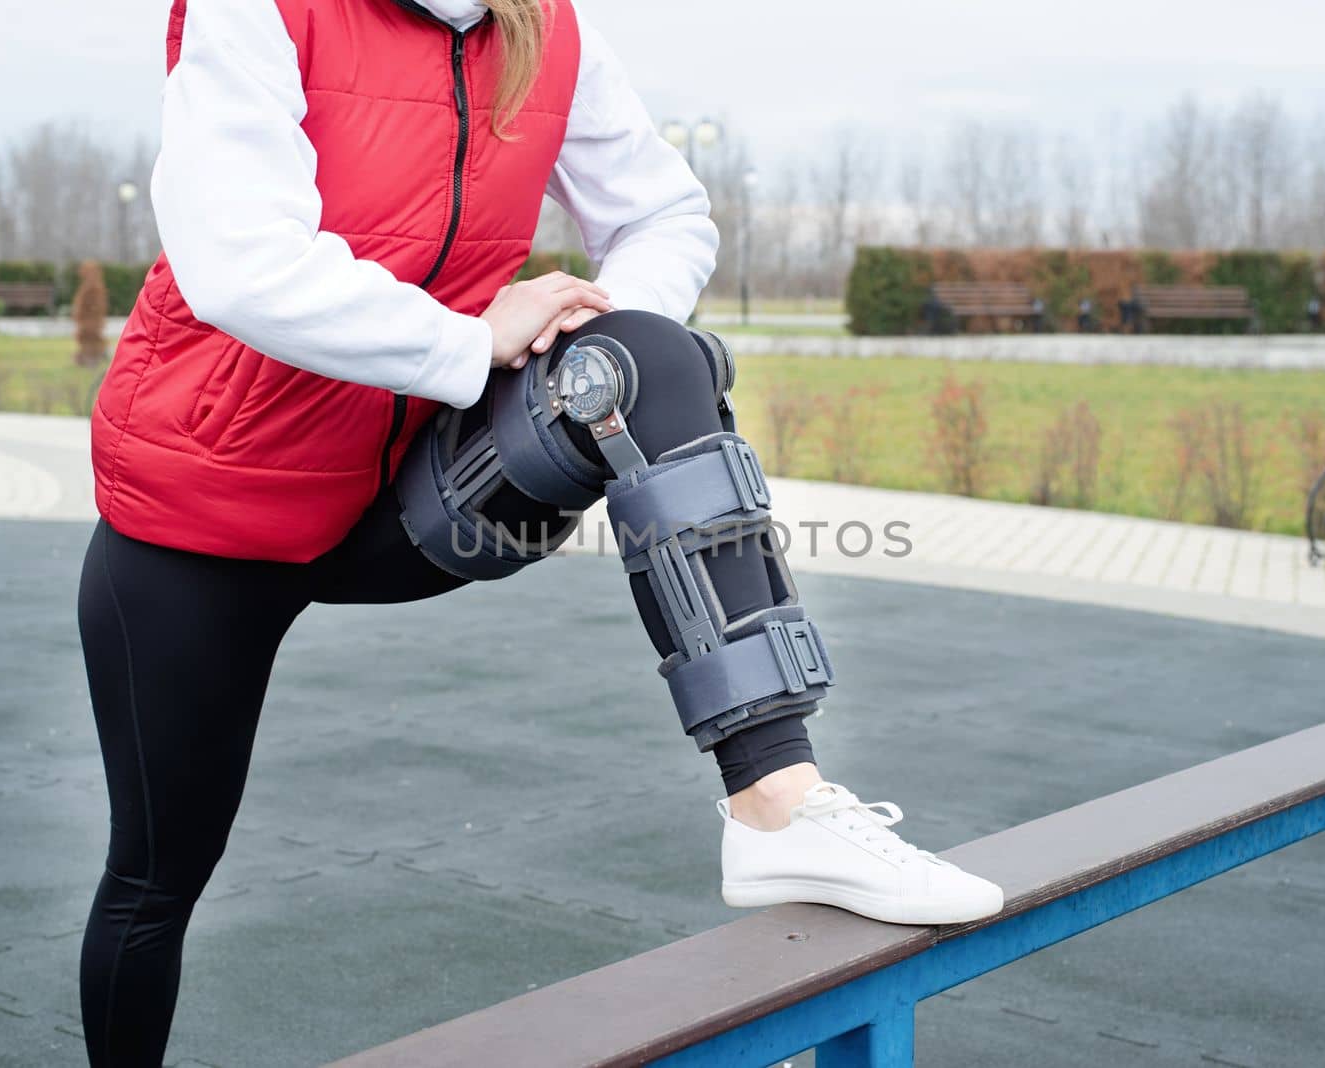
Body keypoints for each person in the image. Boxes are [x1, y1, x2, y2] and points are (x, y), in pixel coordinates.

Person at [76, 0, 1004, 1063]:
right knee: (156, 877)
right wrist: (470, 345)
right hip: (207, 509)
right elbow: (238, 260)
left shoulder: (545, 30)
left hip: (410, 499)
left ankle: (774, 796)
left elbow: (667, 216)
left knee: (650, 357)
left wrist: (584, 331)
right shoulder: (266, 12)